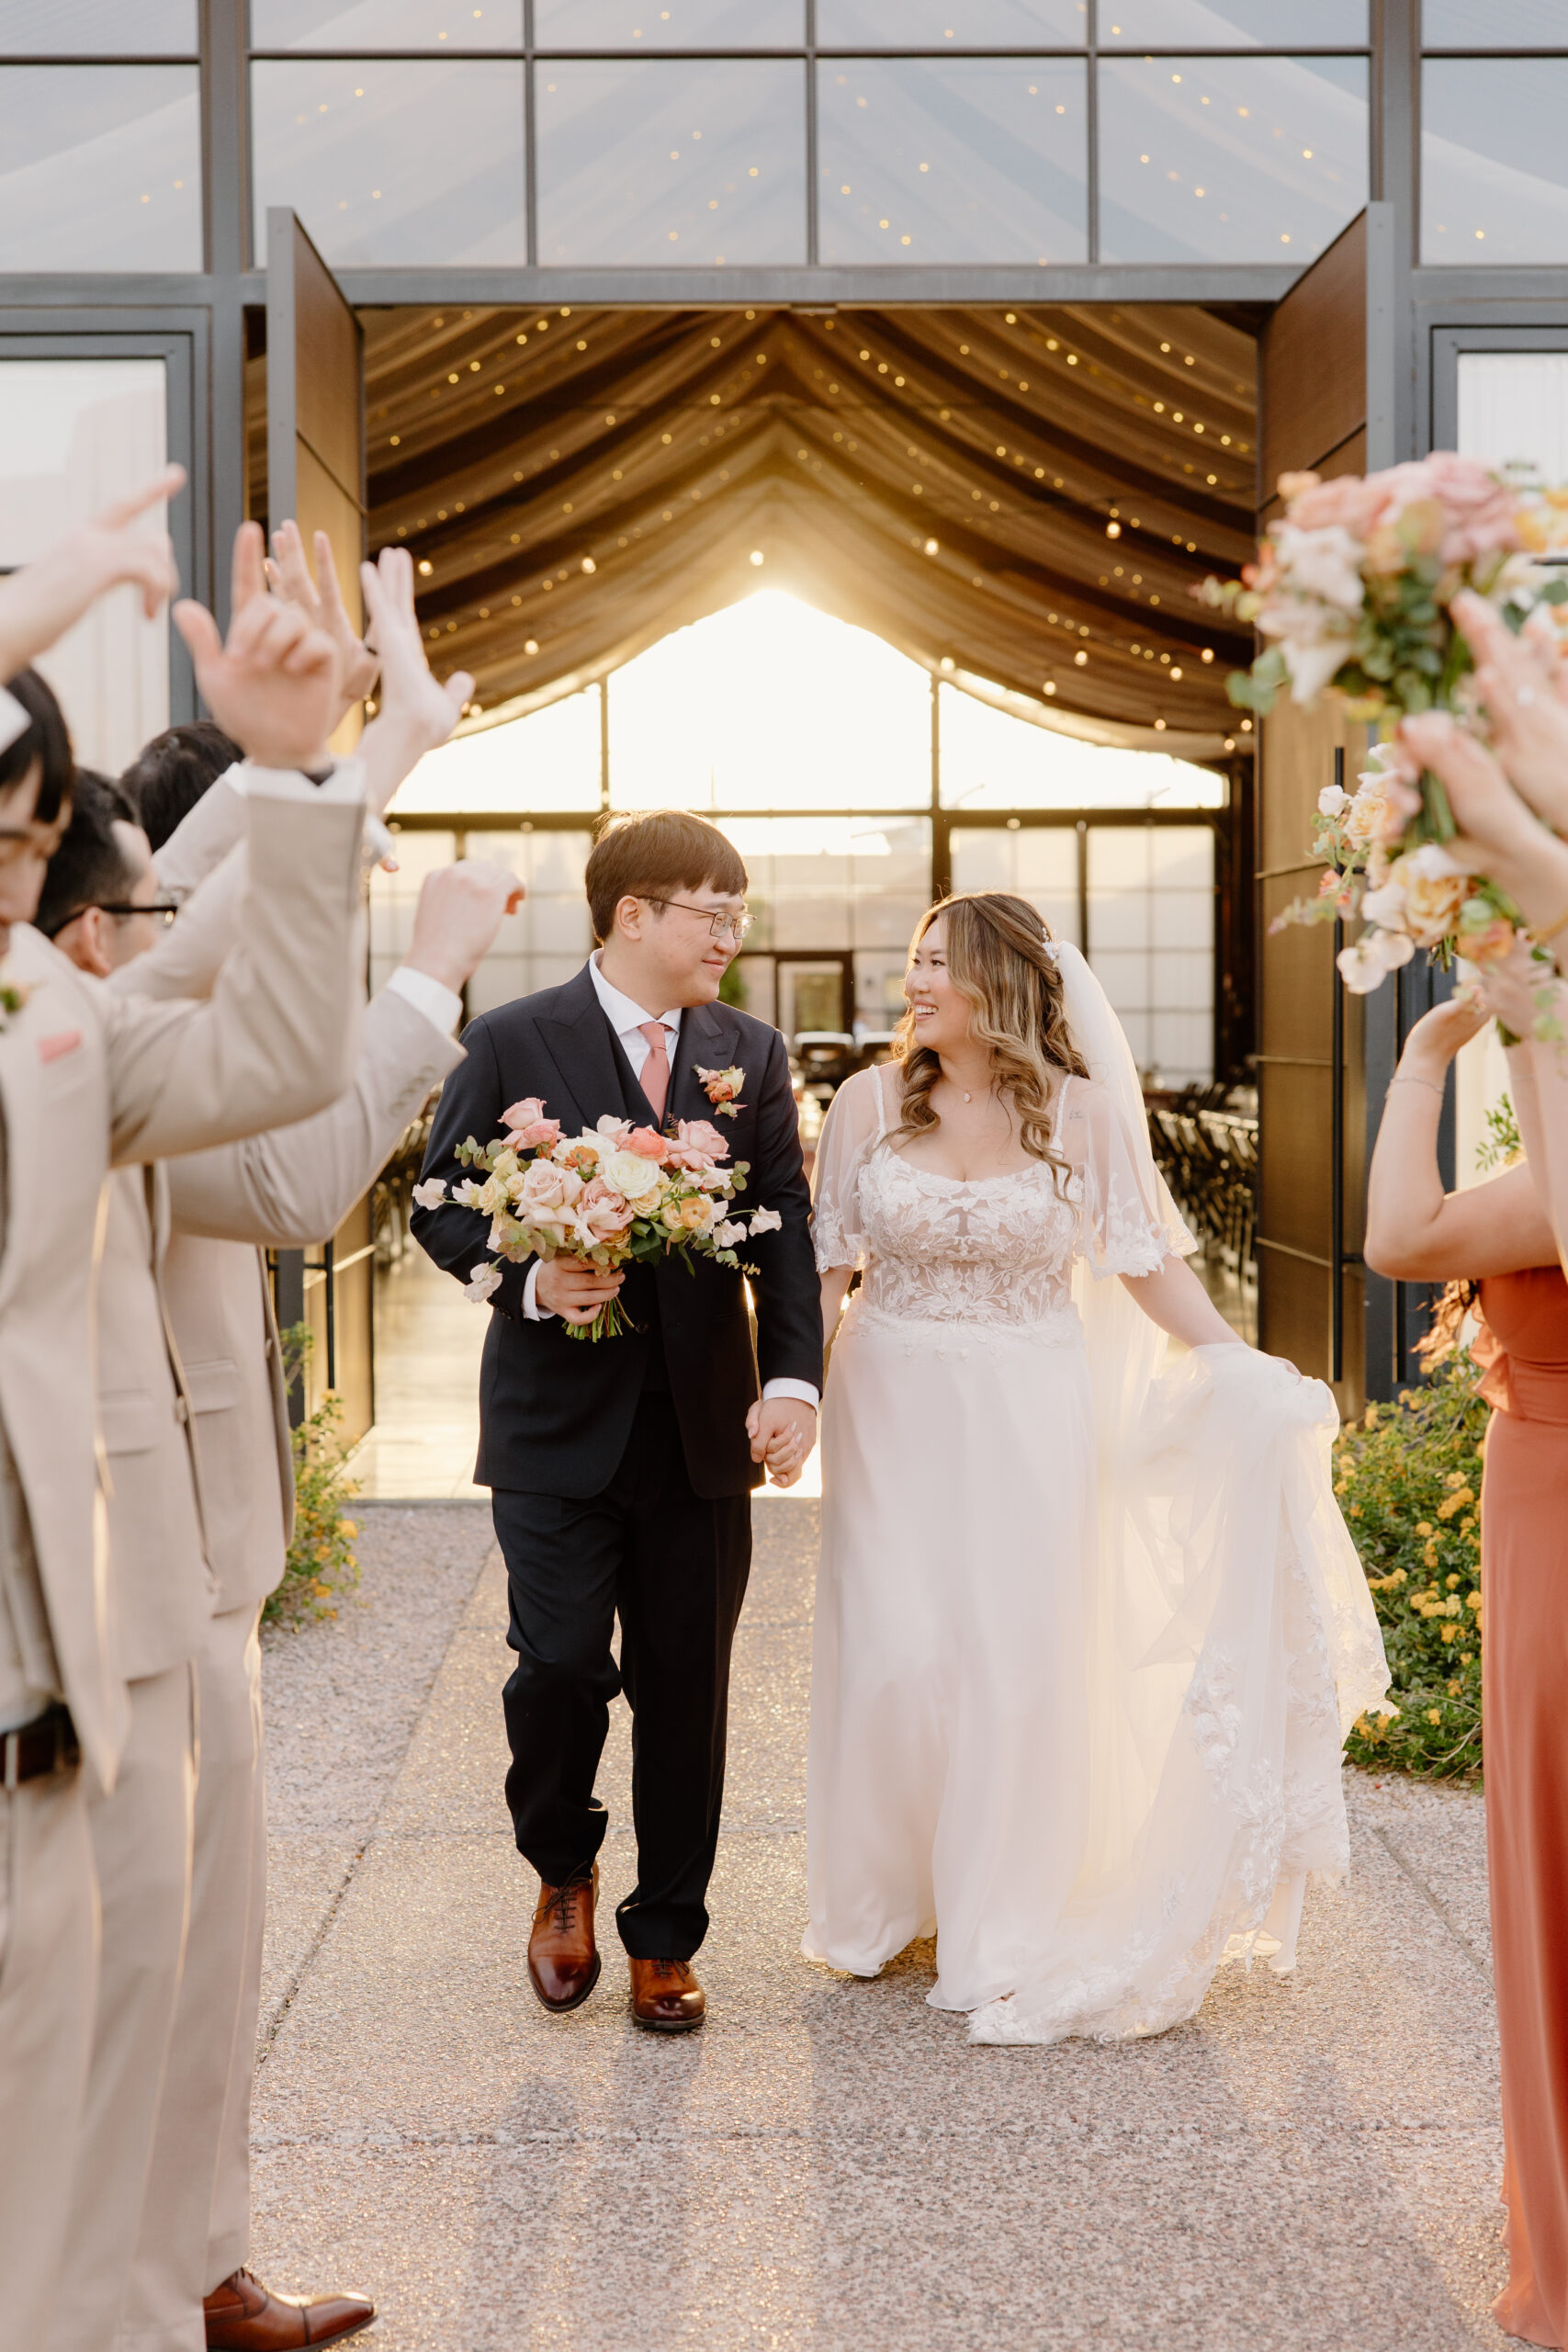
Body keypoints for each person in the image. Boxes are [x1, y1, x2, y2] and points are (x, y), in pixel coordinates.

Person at [108, 534, 502, 2352]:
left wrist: (363, 752)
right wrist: (417, 979)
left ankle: (193, 2254)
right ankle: (142, 2270)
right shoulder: (98, 1012)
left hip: (191, 1546)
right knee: (138, 1959)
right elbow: (271, 1165)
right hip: (119, 1559)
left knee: (199, 1959)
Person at [0, 471, 371, 2351]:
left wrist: (306, 780)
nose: (10, 886)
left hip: (80, 1667)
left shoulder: (66, 1037)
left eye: (22, 845)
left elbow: (278, 1055)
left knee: (77, 2152)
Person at [806, 891, 1389, 2042]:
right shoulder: (865, 1103)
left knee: (1010, 1656)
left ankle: (996, 1914)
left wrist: (1242, 1365)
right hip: (890, 1402)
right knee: (896, 1652)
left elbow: (1144, 1263)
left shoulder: (1082, 1115)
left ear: (1003, 982)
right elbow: (828, 1268)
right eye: (912, 961)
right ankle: (886, 1899)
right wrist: (789, 1401)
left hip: (1031, 1405)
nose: (914, 981)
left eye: (938, 964)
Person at [412, 808, 823, 2032]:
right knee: (555, 1674)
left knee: (687, 1687)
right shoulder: (509, 1038)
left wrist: (792, 1385)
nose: (729, 936)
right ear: (630, 914)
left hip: (701, 1430)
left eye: (739, 913)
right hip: (550, 1427)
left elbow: (786, 1233)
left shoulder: (748, 1051)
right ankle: (559, 1866)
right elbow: (437, 1204)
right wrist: (533, 1282)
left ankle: (665, 1935)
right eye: (713, 912)